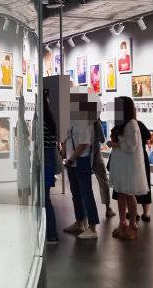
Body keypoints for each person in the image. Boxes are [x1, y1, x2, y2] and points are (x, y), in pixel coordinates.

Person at [109, 97, 149, 240]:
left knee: (129, 194)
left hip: (128, 166)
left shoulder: (132, 124)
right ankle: (122, 222)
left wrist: (115, 144)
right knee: (121, 194)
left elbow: (131, 146)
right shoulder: (123, 124)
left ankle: (132, 224)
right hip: (122, 164)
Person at [62, 89, 100, 240]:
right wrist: (65, 153)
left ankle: (92, 227)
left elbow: (84, 143)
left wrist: (71, 158)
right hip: (72, 160)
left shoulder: (85, 120)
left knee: (86, 193)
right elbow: (67, 137)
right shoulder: (71, 118)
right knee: (76, 193)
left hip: (81, 160)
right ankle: (79, 221)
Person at [42, 95, 59, 242]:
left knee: (46, 199)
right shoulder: (50, 121)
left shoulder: (42, 123)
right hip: (49, 162)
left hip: (46, 163)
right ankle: (50, 233)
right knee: (46, 197)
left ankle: (52, 233)